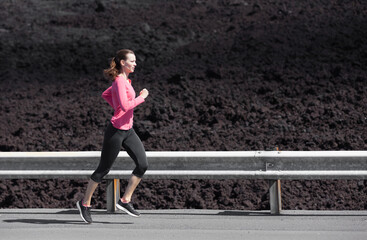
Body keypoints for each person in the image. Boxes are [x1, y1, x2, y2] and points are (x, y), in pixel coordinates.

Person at [76, 49, 149, 224]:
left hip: (128, 130)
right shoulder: (119, 81)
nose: (135, 63)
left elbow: (106, 95)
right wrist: (142, 97)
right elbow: (125, 106)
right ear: (123, 63)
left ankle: (124, 200)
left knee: (142, 164)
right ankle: (85, 203)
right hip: (116, 131)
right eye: (132, 61)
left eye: (135, 60)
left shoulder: (125, 80)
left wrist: (116, 106)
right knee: (103, 170)